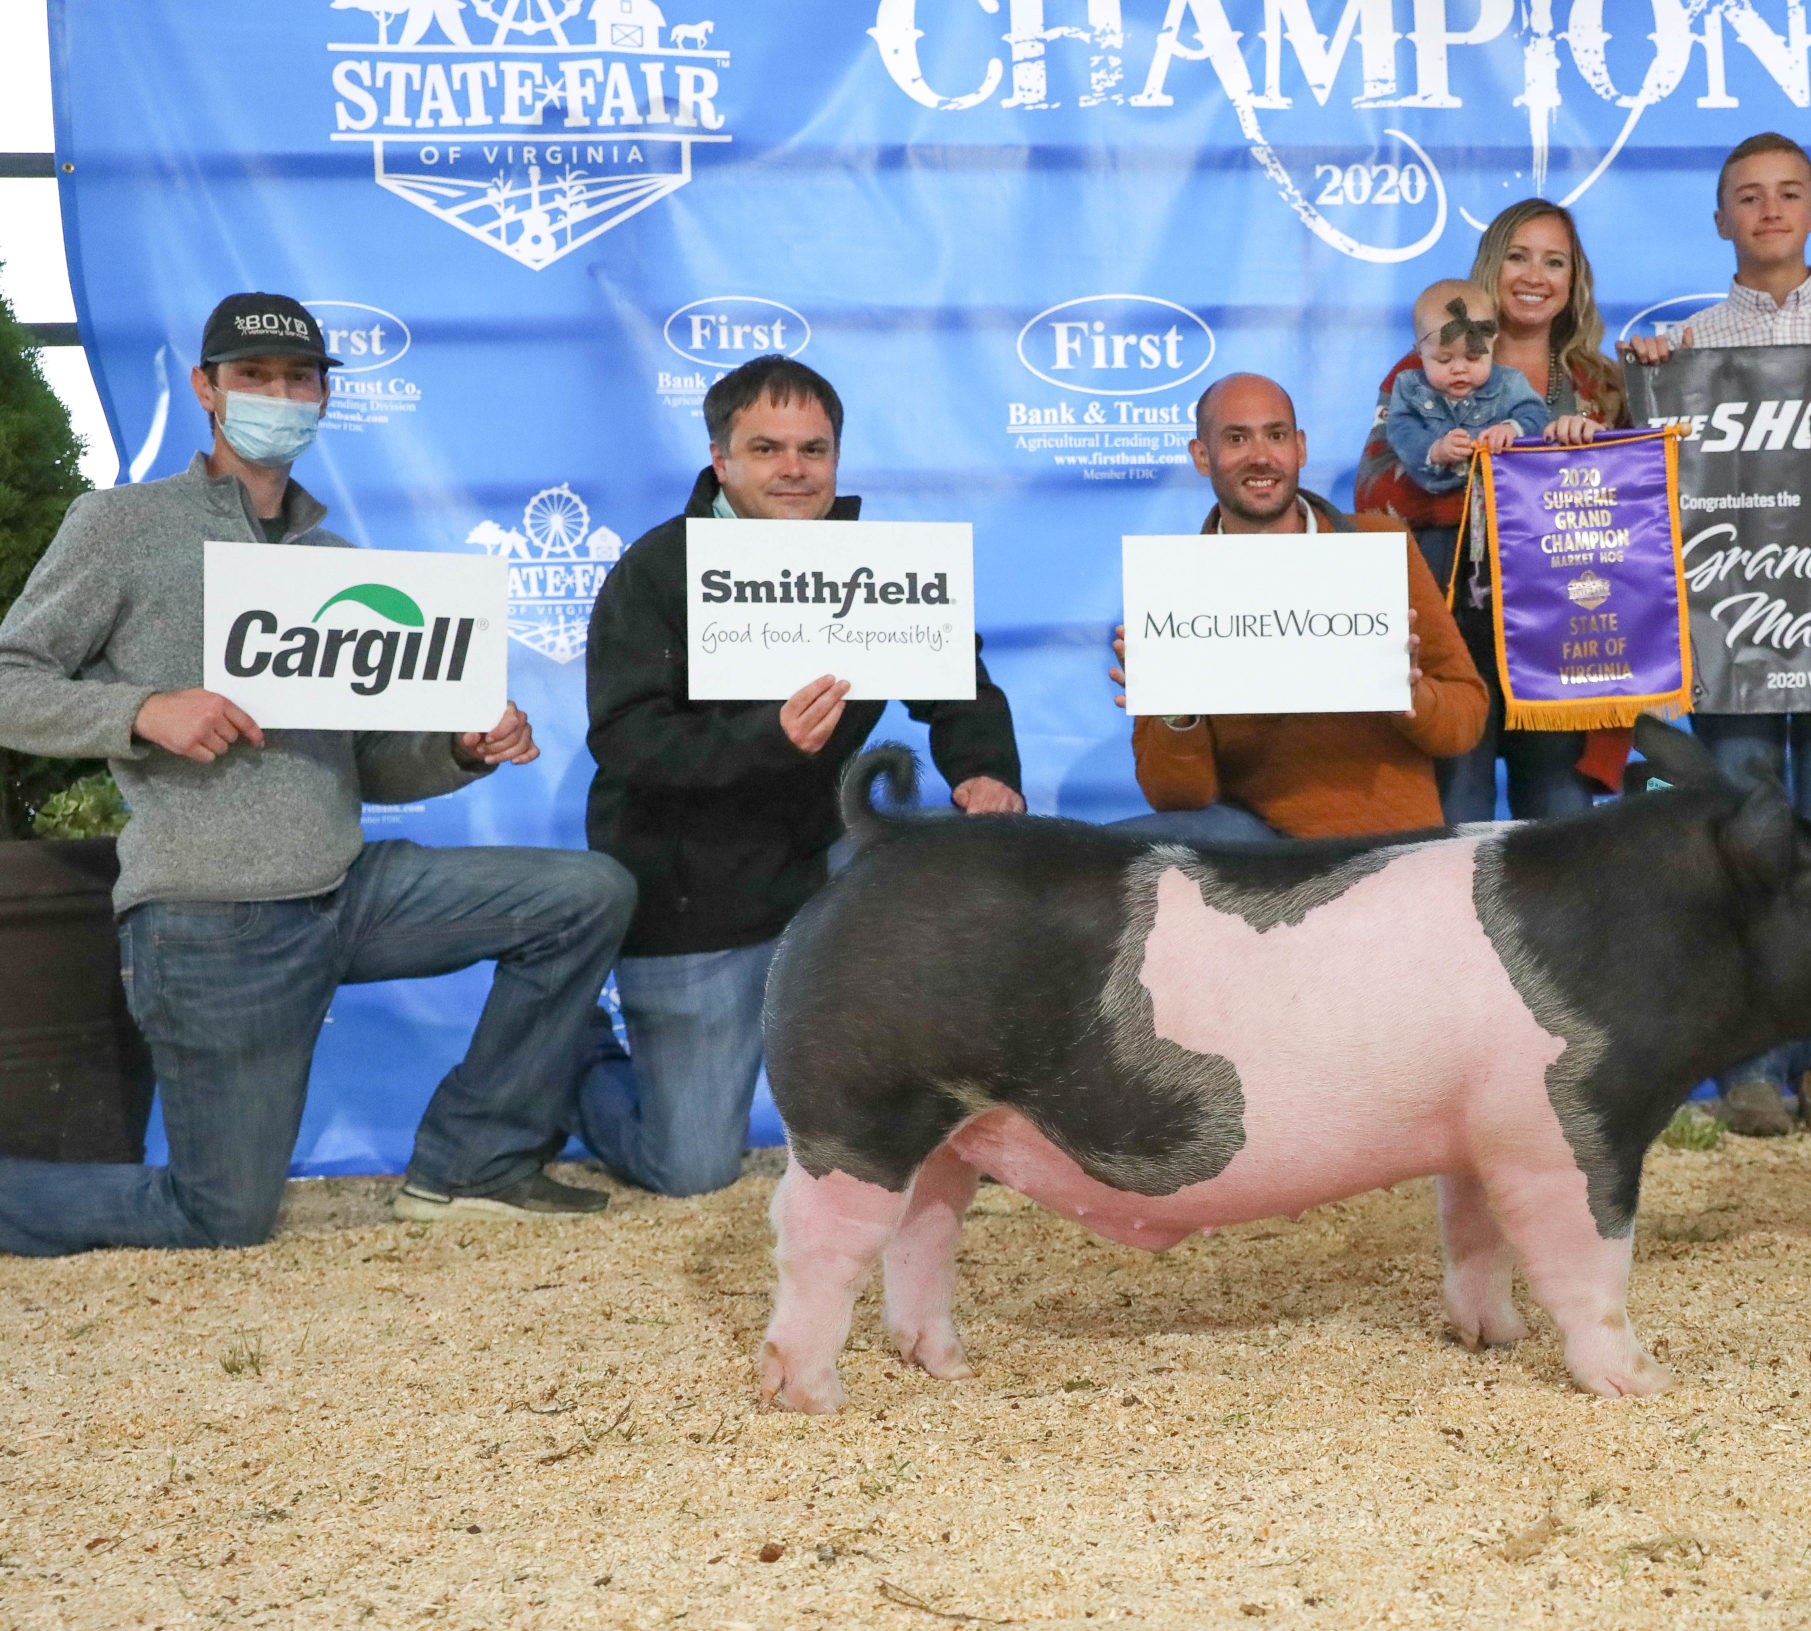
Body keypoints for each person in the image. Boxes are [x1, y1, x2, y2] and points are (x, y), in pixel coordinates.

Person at [0, 292, 635, 1254]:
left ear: (326, 397)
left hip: (350, 889)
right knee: (220, 1214)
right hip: (212, 918)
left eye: (300, 378)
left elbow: (360, 760)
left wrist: (458, 751)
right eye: (254, 376)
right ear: (206, 388)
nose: (280, 395)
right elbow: (10, 678)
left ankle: (471, 1159)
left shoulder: (332, 560)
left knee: (584, 894)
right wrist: (141, 710)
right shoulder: (122, 526)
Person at [578, 354, 1024, 1198]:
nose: (794, 469)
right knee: (689, 1169)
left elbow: (961, 687)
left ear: (836, 460)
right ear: (721, 461)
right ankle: (581, 1052)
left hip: (825, 870)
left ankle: (970, 1116)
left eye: (813, 450)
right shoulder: (656, 569)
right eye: (767, 449)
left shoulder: (879, 565)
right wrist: (765, 738)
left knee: (954, 870)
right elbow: (628, 739)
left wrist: (985, 774)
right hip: (692, 897)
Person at [1622, 130, 1811, 1137]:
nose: (1770, 209)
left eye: (1789, 192)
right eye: (1748, 196)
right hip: (1733, 632)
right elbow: (1650, 492)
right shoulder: (1681, 351)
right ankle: (1745, 1062)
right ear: (1720, 220)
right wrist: (1645, 388)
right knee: (1743, 850)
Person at [1107, 373, 1485, 840]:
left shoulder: (1379, 547)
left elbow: (1466, 719)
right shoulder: (1177, 585)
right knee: (1114, 856)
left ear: (1300, 448)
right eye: (1236, 438)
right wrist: (1176, 715)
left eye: (1276, 435)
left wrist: (1409, 695)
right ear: (1202, 456)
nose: (1261, 455)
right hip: (1255, 849)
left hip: (1384, 846)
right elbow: (1176, 799)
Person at [1354, 199, 1620, 824]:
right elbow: (1373, 489)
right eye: (1518, 257)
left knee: (1562, 811)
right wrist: (1482, 475)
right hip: (1451, 610)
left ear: (1574, 279)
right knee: (1458, 804)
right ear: (1490, 269)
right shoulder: (1423, 371)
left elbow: (1632, 506)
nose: (1535, 276)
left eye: (1554, 262)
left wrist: (1594, 450)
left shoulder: (1600, 381)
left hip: (1562, 618)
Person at [1380, 279, 1559, 494]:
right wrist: (1435, 450)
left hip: (1498, 496)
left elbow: (1537, 415)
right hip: (1431, 498)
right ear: (1419, 352)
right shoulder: (1409, 386)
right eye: (1444, 360)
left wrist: (1511, 429)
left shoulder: (1509, 383)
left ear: (1492, 344)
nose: (1459, 369)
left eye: (1473, 357)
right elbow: (1401, 429)